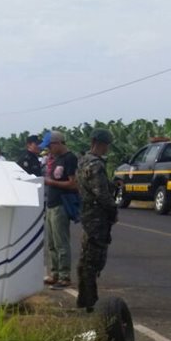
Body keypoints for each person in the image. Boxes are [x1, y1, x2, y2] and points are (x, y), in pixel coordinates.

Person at [75, 129, 118, 311]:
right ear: (101, 144)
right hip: (97, 217)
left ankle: (84, 297)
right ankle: (90, 300)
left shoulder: (83, 161)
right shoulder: (96, 165)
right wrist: (113, 210)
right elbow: (101, 194)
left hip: (87, 213)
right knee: (93, 260)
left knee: (86, 257)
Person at [43, 131, 77, 288]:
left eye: (50, 146)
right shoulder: (55, 159)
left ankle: (64, 276)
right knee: (51, 243)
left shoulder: (70, 159)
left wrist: (51, 183)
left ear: (57, 143)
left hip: (61, 204)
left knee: (61, 242)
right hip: (51, 204)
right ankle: (55, 272)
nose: (49, 150)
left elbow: (73, 183)